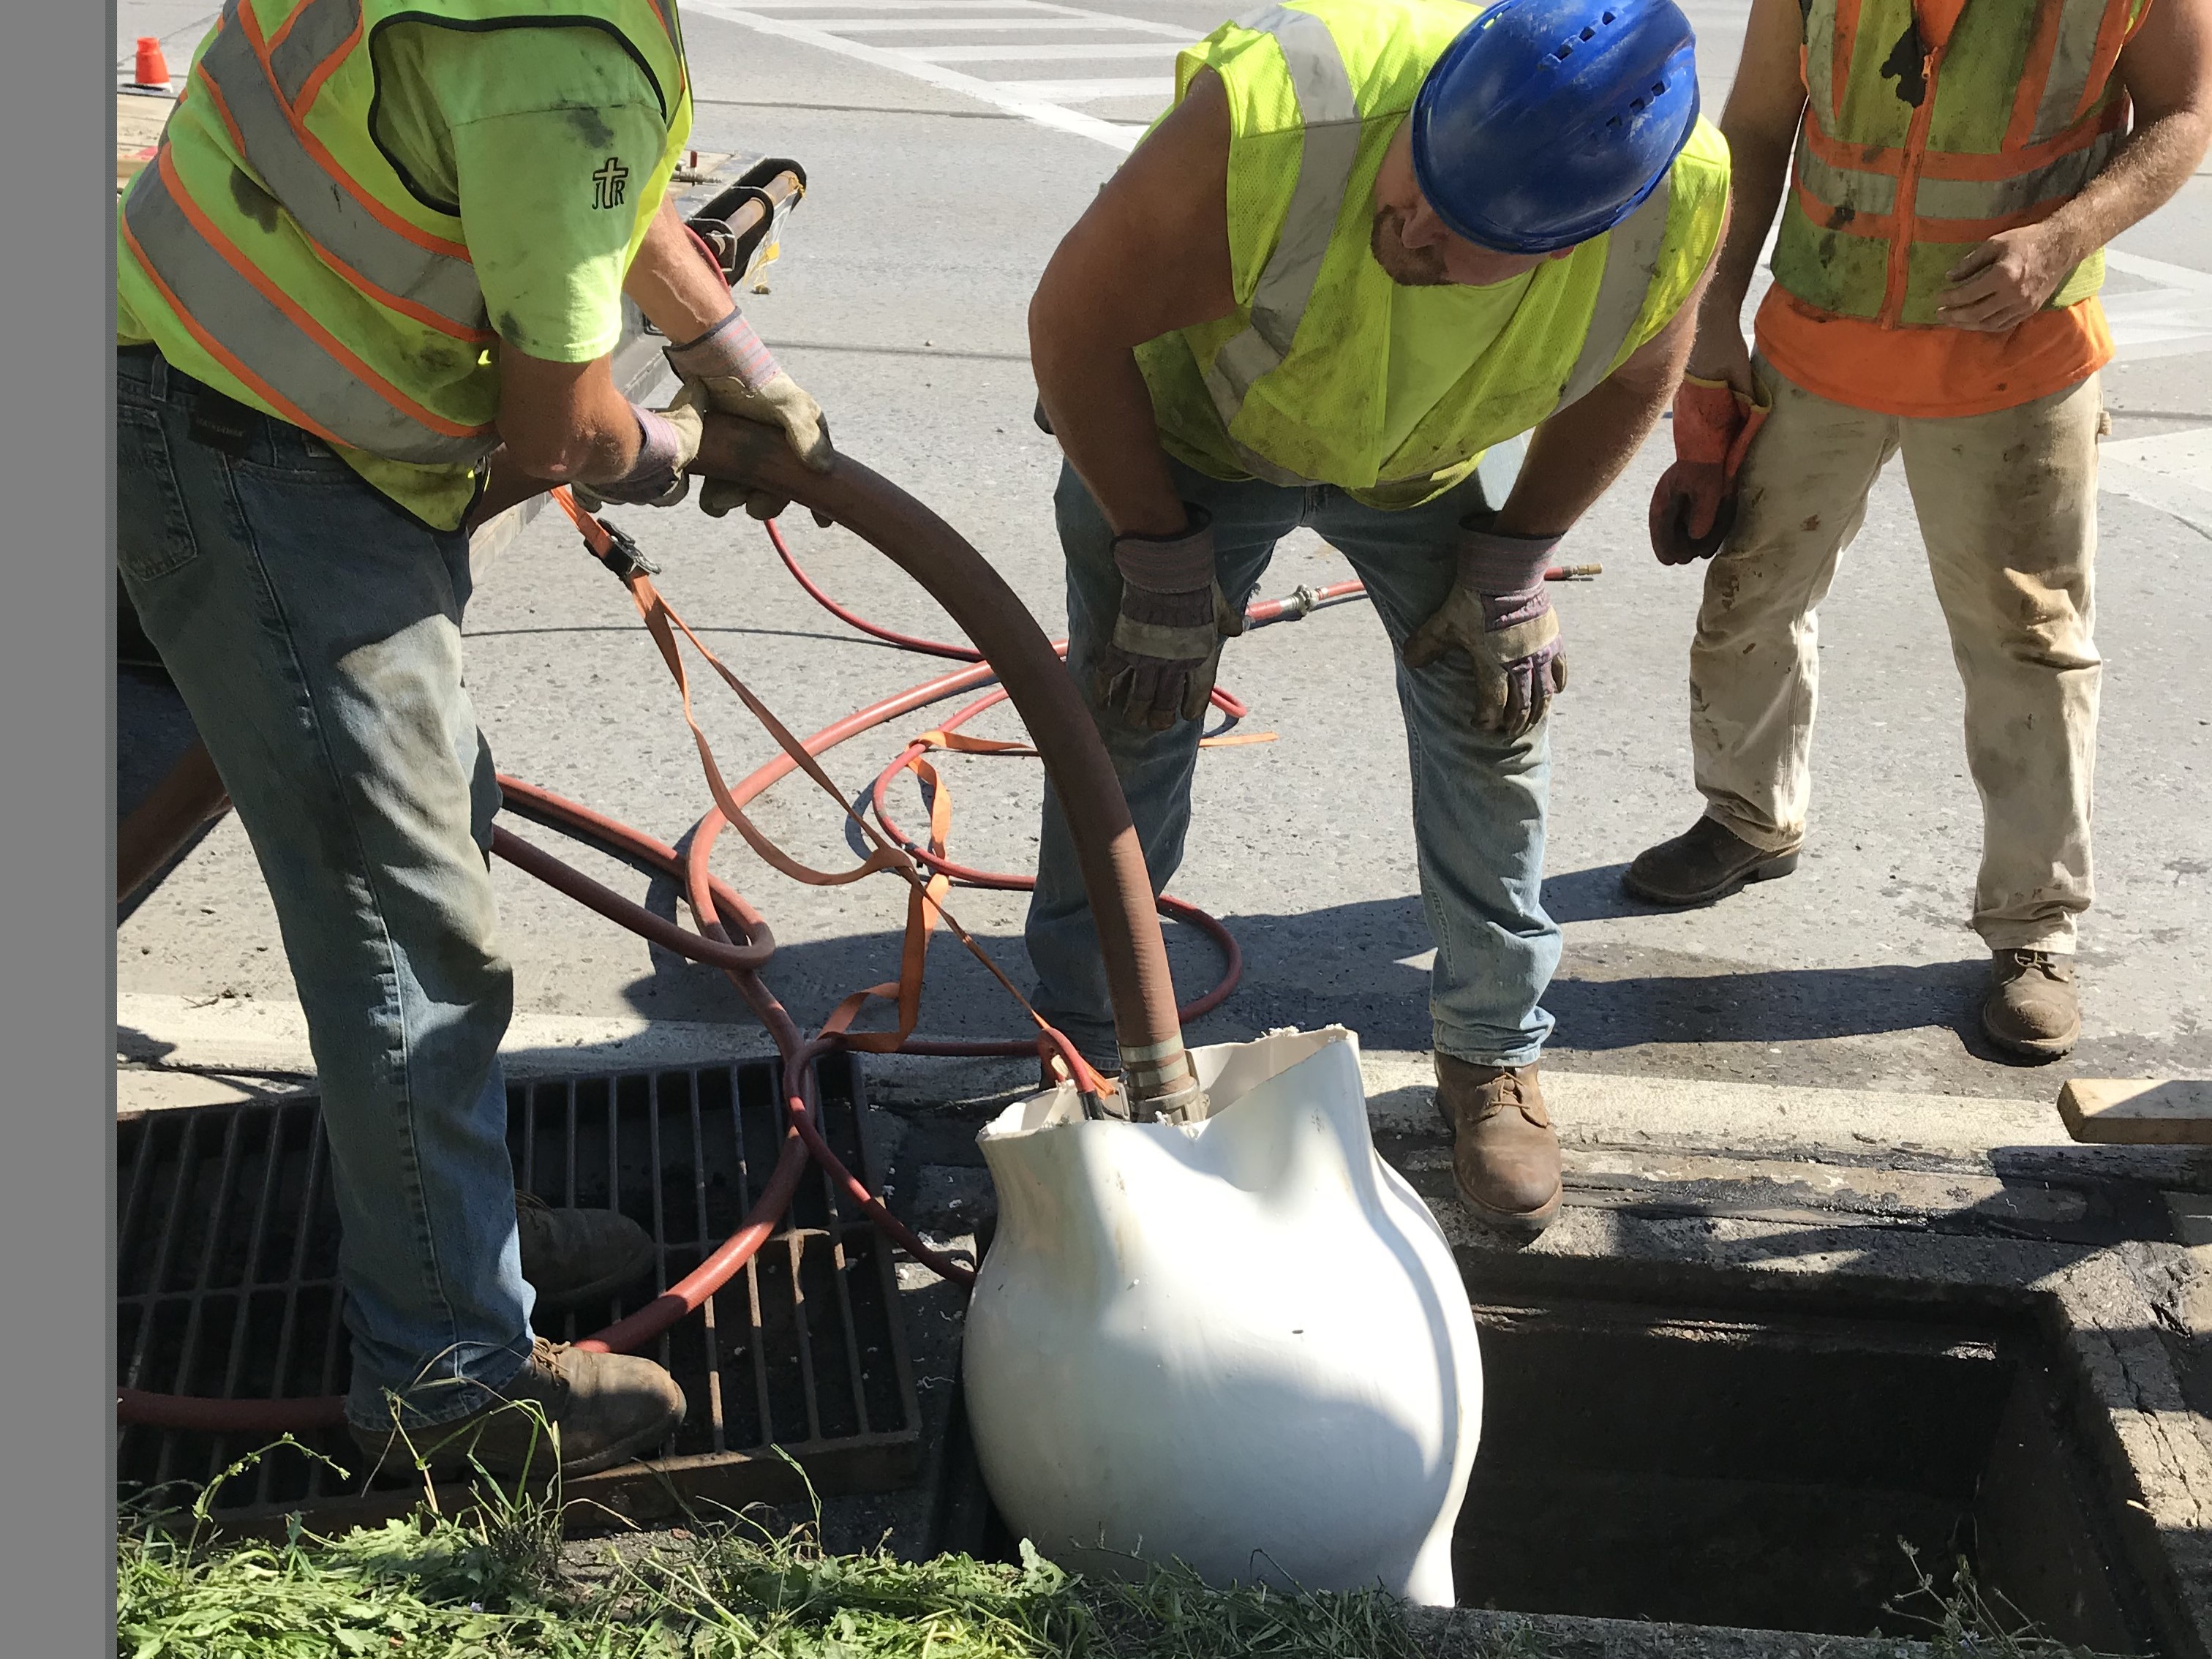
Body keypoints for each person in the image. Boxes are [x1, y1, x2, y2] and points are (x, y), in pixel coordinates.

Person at [114, 0, 830, 1474]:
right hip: (262, 452)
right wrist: (698, 446)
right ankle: (446, 1384)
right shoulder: (566, 65)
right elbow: (560, 432)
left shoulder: (571, 39)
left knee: (430, 830)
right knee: (403, 925)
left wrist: (733, 354)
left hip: (230, 373)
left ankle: (458, 1240)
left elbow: (598, 197)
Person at [1021, 0, 1728, 1235]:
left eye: (1460, 238)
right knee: (1128, 721)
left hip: (1416, 465)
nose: (1405, 224)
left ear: (1572, 241)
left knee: (1493, 707)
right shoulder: (1286, 115)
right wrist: (1156, 550)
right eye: (1419, 182)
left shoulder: (1664, 200)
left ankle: (1493, 1050)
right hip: (1185, 449)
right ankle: (1090, 1036)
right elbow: (1070, 322)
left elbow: (1633, 372)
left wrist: (1517, 557)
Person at [1633, 0, 2212, 1061]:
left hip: (2017, 360)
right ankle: (1748, 818)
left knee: (2028, 642)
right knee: (1750, 596)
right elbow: (1758, 126)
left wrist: (2064, 236)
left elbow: (2183, 114)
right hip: (1820, 336)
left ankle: (2036, 928)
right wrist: (1714, 316)